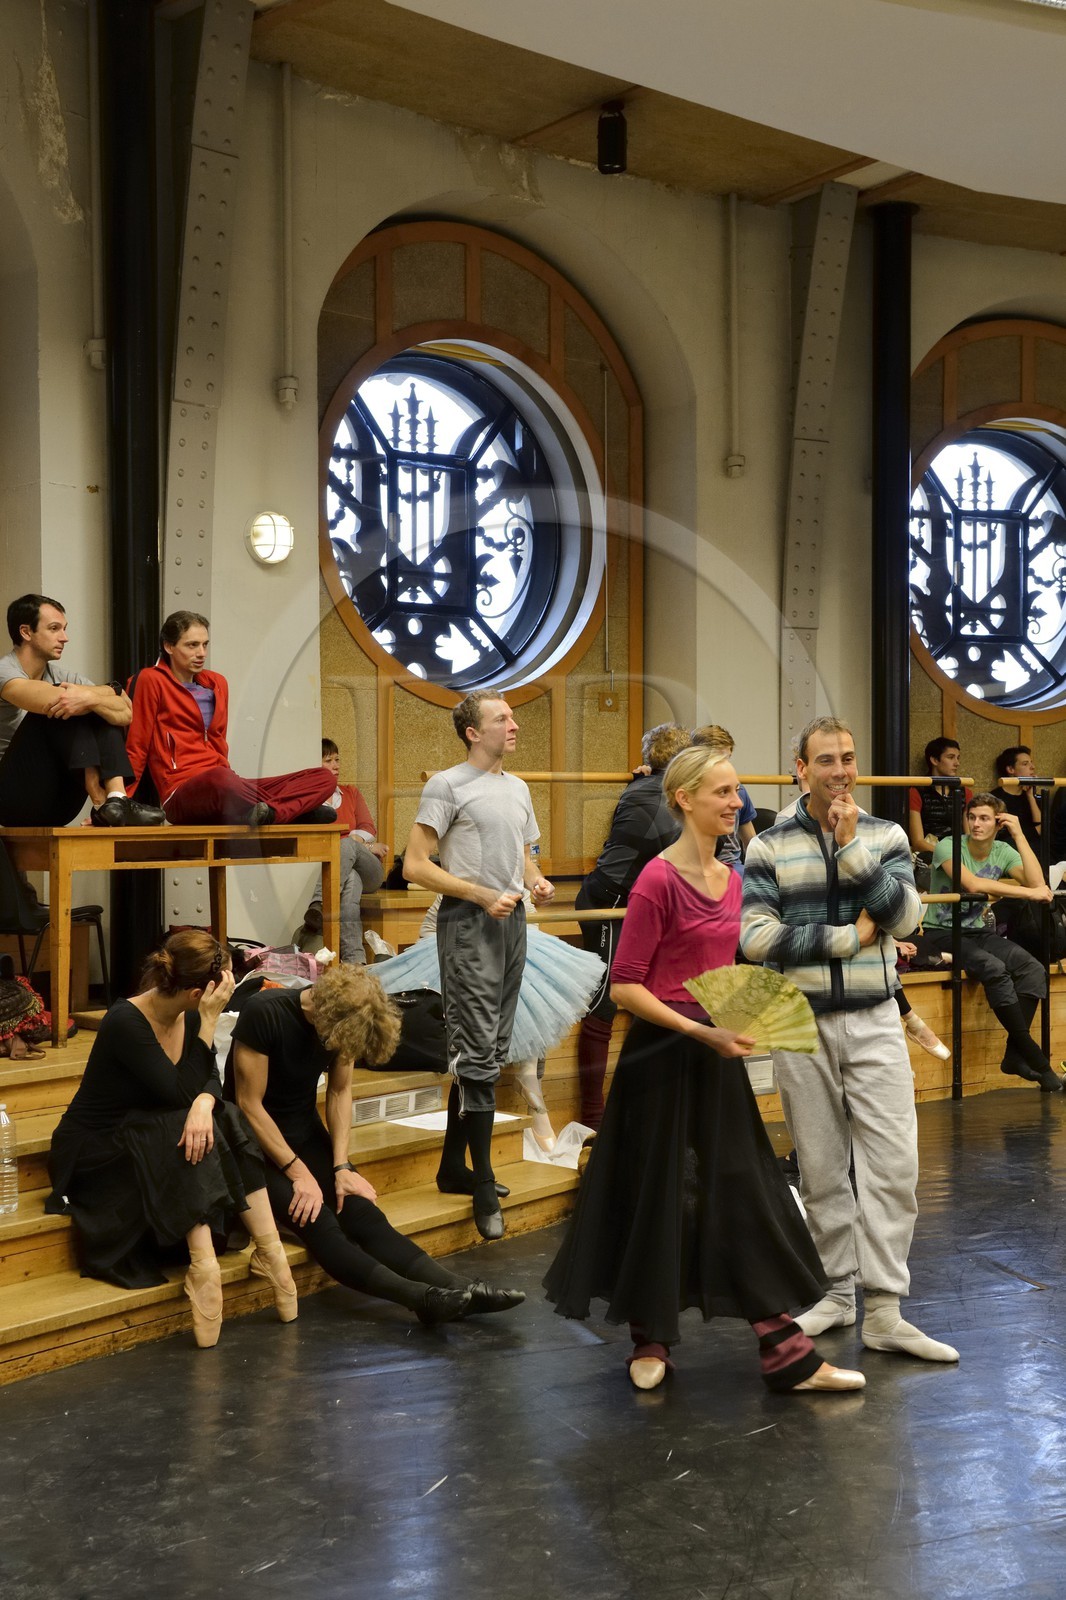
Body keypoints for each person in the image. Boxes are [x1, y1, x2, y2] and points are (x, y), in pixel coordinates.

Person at [544, 744, 864, 1395]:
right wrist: (701, 1030)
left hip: (715, 1054)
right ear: (684, 798)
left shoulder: (735, 878)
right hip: (660, 1058)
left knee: (745, 1192)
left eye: (737, 790)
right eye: (722, 791)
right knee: (656, 1194)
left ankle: (786, 1352)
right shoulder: (657, 881)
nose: (736, 802)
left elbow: (730, 967)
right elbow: (627, 986)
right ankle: (651, 1335)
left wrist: (741, 1016)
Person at [741, 715, 959, 1363]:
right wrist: (845, 940)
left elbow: (907, 916)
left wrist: (853, 854)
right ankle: (837, 1293)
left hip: (874, 1018)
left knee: (894, 1163)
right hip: (798, 1023)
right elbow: (754, 938)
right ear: (799, 770)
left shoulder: (885, 836)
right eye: (826, 760)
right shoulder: (768, 846)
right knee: (820, 1162)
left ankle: (885, 1309)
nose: (841, 770)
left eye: (848, 758)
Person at [47, 930, 298, 1348]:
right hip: (96, 1149)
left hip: (152, 1134)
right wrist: (209, 1041)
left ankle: (271, 1253)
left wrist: (204, 1103)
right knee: (180, 1122)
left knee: (225, 1116)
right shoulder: (125, 1021)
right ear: (197, 991)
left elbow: (210, 1081)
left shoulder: (192, 1015)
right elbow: (178, 1093)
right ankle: (205, 1269)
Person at [231, 964, 523, 1323]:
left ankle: (462, 1287)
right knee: (319, 1222)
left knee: (362, 1214)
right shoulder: (266, 1012)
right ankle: (421, 1299)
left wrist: (341, 1166)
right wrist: (299, 1173)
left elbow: (339, 1091)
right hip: (252, 1146)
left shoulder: (343, 1023)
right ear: (327, 1018)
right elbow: (249, 1106)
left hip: (303, 1133)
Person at [403, 689, 554, 1240]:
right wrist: (478, 893)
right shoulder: (445, 785)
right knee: (476, 1047)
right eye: (502, 718)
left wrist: (533, 878)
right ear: (473, 731)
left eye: (511, 716)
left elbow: (521, 851)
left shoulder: (516, 787)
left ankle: (452, 1168)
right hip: (468, 924)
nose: (513, 725)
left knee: (489, 1047)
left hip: (511, 922)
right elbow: (415, 865)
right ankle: (484, 1179)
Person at [373, 889, 606, 1153]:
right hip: (456, 933)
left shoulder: (516, 878)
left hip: (512, 923)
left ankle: (530, 1081)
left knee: (528, 971)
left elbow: (528, 905)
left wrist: (536, 884)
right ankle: (532, 1090)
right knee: (497, 975)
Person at [573, 721, 689, 1130]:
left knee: (651, 1000)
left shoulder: (654, 790)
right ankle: (592, 1115)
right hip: (607, 904)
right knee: (604, 1002)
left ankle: (642, 1105)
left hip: (634, 906)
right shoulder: (654, 798)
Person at [125, 611, 337, 826]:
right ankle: (293, 811)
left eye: (205, 645)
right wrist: (118, 803)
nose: (201, 653)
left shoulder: (217, 684)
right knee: (223, 780)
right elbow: (136, 746)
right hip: (181, 791)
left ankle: (270, 812)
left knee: (324, 777)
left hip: (228, 785)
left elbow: (218, 742)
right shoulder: (150, 680)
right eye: (192, 645)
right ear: (169, 647)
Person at [922, 793, 1062, 1093]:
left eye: (984, 818)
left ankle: (1013, 1056)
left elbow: (1039, 884)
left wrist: (1020, 834)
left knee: (1033, 969)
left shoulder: (1003, 850)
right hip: (941, 931)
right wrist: (1027, 894)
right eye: (971, 817)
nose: (975, 824)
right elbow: (973, 884)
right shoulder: (948, 846)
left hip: (977, 932)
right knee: (994, 968)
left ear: (998, 822)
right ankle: (1038, 1060)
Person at [0, 593, 164, 827]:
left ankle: (117, 800)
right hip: (12, 799)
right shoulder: (5, 671)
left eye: (64, 629)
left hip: (59, 801)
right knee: (65, 702)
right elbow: (55, 699)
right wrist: (99, 695)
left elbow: (126, 713)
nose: (64, 638)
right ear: (26, 632)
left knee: (89, 704)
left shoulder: (64, 676)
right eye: (55, 628)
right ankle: (100, 800)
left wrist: (92, 698)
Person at [300, 738, 388, 964]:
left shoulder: (351, 793)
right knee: (350, 882)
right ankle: (355, 962)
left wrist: (361, 845)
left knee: (346, 845)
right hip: (345, 871)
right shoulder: (310, 802)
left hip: (371, 871)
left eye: (337, 759)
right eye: (328, 760)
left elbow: (368, 827)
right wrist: (364, 843)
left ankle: (318, 903)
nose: (336, 765)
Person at [691, 723, 757, 870]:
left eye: (726, 759)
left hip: (732, 866)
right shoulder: (686, 792)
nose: (723, 766)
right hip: (696, 868)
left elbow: (752, 844)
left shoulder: (740, 792)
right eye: (716, 761)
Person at [908, 737, 970, 854]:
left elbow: (969, 834)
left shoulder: (964, 791)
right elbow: (918, 842)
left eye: (958, 758)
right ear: (934, 760)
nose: (957, 763)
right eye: (951, 757)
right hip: (931, 851)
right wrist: (948, 854)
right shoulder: (917, 791)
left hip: (960, 850)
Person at [992, 746, 1042, 857]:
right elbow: (1002, 838)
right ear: (1010, 770)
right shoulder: (995, 799)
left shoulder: (1032, 796)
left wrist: (1030, 796)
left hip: (1036, 849)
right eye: (1025, 764)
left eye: (1031, 763)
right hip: (1010, 852)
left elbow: (1041, 827)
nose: (1032, 767)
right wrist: (1035, 831)